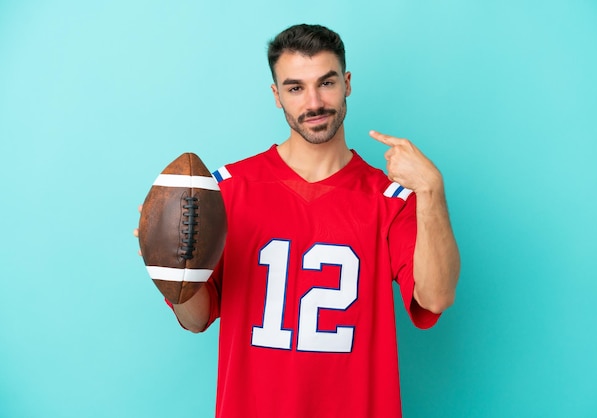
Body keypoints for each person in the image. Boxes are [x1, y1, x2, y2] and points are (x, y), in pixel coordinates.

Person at [140, 23, 460, 418]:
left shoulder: (390, 198)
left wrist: (432, 191)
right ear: (277, 96)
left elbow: (436, 297)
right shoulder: (226, 190)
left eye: (326, 83)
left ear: (347, 84)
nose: (313, 102)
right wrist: (170, 270)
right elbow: (197, 319)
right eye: (295, 88)